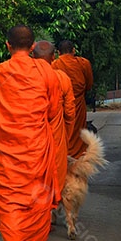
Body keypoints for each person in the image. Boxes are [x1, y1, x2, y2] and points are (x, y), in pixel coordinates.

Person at [0, 25, 63, 241]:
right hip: (37, 150)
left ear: (7, 46)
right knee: (38, 203)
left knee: (10, 208)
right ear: (32, 47)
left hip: (8, 154)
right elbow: (53, 111)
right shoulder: (45, 71)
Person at [32, 40, 76, 198]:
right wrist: (66, 137)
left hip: (29, 142)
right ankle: (47, 208)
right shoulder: (62, 78)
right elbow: (70, 113)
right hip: (55, 138)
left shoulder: (21, 78)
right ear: (53, 58)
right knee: (54, 176)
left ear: (33, 56)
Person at [53, 40, 95, 158]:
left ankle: (65, 155)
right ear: (74, 51)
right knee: (78, 131)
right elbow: (89, 83)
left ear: (58, 52)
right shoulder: (84, 63)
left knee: (65, 129)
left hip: (62, 104)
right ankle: (79, 157)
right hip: (79, 102)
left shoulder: (55, 65)